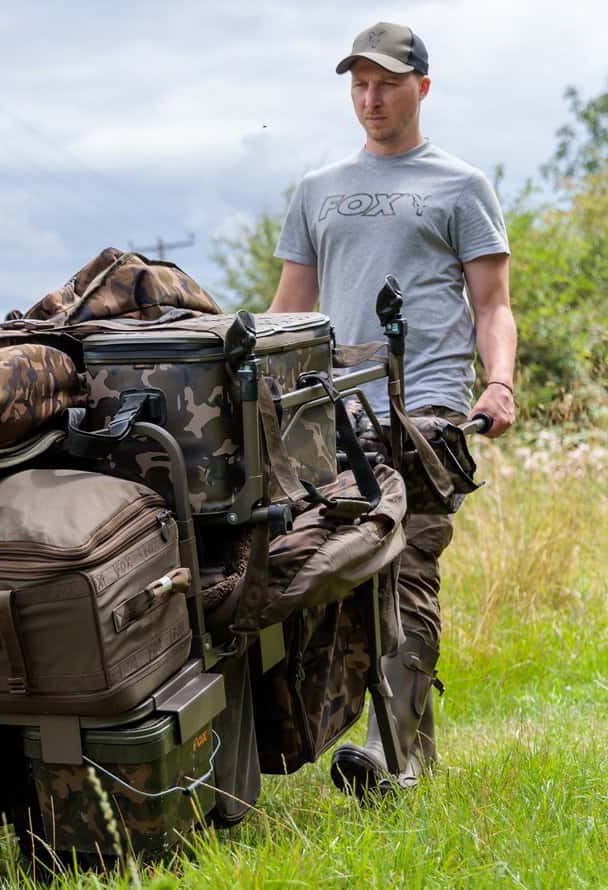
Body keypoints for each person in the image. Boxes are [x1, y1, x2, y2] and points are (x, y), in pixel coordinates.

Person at [267, 21, 517, 797]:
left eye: (386, 84)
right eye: (359, 86)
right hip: (331, 413)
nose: (371, 99)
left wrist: (499, 382)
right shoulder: (317, 190)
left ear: (422, 88)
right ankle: (384, 738)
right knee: (335, 575)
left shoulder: (461, 185)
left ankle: (391, 754)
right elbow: (288, 312)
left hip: (427, 411)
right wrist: (261, 396)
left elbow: (493, 305)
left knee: (406, 564)